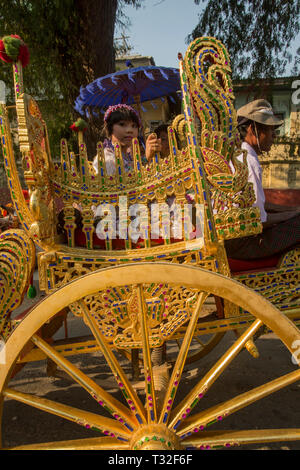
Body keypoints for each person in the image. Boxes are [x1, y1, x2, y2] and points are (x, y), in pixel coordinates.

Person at [224, 99, 300, 260]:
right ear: (253, 130)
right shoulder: (247, 161)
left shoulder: (241, 155)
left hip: (234, 240)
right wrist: (290, 217)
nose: (274, 135)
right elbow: (259, 219)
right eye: (270, 129)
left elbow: (259, 205)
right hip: (244, 244)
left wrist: (291, 211)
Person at [93, 103, 161, 175]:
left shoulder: (127, 155)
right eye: (122, 124)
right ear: (109, 128)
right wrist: (146, 158)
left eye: (134, 126)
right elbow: (128, 181)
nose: (130, 130)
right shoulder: (106, 159)